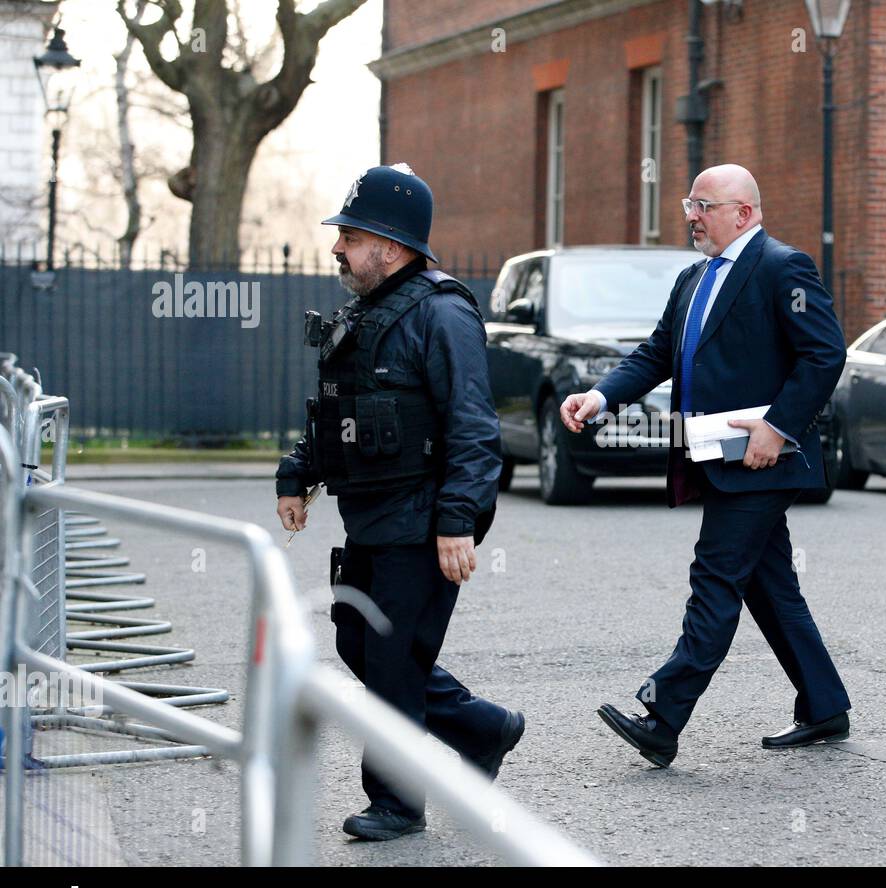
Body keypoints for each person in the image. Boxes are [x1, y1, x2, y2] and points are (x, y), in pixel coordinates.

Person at [561, 164, 852, 767]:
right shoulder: (693, 277)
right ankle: (825, 706)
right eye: (689, 203)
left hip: (763, 460)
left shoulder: (782, 266)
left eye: (703, 205)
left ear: (743, 213)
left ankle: (663, 717)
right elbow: (658, 352)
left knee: (714, 579)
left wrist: (777, 427)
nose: (690, 214)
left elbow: (825, 355)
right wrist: (602, 396)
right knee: (770, 589)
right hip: (718, 456)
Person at [276, 163, 524, 840]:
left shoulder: (443, 314)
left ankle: (397, 801)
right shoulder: (366, 313)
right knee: (359, 643)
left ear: (389, 245)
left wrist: (456, 522)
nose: (337, 249)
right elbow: (333, 411)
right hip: (371, 516)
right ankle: (483, 729)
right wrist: (296, 473)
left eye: (349, 236)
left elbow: (475, 428)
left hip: (422, 521)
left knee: (390, 662)